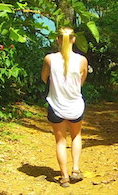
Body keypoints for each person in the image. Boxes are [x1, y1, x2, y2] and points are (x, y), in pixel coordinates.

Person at [41, 27, 88, 188]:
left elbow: (43, 78)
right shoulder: (82, 60)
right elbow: (82, 81)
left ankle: (64, 177)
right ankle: (75, 169)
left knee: (60, 142)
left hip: (55, 105)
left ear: (58, 40)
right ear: (73, 40)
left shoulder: (49, 59)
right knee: (76, 136)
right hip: (75, 105)